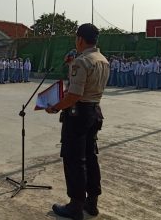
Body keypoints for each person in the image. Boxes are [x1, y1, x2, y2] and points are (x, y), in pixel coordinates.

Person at [45, 23, 110, 220]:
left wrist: (55, 106)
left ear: (80, 39)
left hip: (78, 114)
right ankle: (92, 202)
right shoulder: (102, 60)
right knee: (90, 157)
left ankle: (75, 205)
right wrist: (70, 65)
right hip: (94, 111)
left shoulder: (82, 62)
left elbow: (74, 94)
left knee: (74, 159)